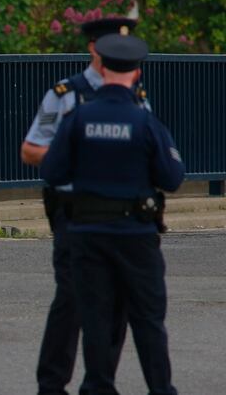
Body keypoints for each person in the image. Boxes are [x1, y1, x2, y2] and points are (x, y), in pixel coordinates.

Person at [41, 33, 184, 395]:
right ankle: (161, 389)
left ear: (102, 69)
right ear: (136, 73)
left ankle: (98, 387)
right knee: (148, 320)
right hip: (136, 235)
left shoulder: (77, 118)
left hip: (87, 235)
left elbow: (53, 171)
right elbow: (172, 177)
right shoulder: (145, 122)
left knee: (96, 320)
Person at [22, 18, 140, 395]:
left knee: (117, 299)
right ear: (93, 49)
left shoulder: (135, 96)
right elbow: (31, 150)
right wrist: (78, 156)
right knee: (72, 296)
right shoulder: (65, 94)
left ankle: (100, 384)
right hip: (73, 211)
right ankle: (51, 384)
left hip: (121, 213)